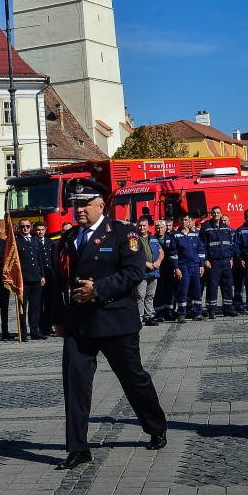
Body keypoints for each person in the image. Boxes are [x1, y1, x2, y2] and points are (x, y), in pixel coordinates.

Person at [53, 180, 168, 470]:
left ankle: (156, 425)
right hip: (79, 326)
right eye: (75, 204)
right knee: (75, 386)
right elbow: (59, 281)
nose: (78, 210)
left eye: (84, 204)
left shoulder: (122, 233)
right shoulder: (69, 239)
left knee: (133, 378)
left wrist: (99, 289)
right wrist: (57, 318)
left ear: (100, 205)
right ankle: (78, 448)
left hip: (115, 321)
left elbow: (134, 272)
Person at [200, 207, 237, 319]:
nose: (216, 215)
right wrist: (206, 259)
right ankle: (212, 310)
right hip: (213, 261)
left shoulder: (226, 228)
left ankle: (228, 308)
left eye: (218, 213)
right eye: (214, 213)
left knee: (227, 285)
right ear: (211, 214)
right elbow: (202, 246)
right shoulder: (206, 228)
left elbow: (230, 245)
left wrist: (231, 258)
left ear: (221, 214)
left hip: (226, 261)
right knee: (212, 286)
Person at [169, 213, 206, 320]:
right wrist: (176, 268)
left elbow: (200, 250)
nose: (184, 222)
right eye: (182, 220)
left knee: (196, 290)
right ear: (179, 221)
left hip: (195, 265)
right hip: (183, 267)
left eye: (186, 220)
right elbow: (173, 253)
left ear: (189, 221)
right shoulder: (176, 236)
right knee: (182, 290)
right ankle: (181, 313)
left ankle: (197, 312)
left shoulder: (195, 235)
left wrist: (201, 265)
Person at [15, 218, 46, 338]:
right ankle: (22, 332)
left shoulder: (35, 240)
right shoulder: (17, 241)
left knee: (35, 306)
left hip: (35, 277)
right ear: (19, 228)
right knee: (22, 307)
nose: (25, 229)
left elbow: (39, 259)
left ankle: (34, 330)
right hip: (23, 279)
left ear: (30, 227)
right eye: (23, 227)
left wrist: (42, 275)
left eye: (27, 226)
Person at [134, 217, 162, 327]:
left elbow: (161, 251)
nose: (142, 228)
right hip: (141, 272)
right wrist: (146, 263)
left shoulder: (154, 238)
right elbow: (134, 254)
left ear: (147, 226)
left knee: (150, 295)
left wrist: (158, 261)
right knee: (140, 296)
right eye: (140, 226)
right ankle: (139, 318)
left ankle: (148, 317)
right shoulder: (134, 239)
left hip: (154, 271)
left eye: (144, 225)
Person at [34, 223, 56, 335]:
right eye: (38, 230)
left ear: (45, 230)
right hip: (39, 276)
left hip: (50, 275)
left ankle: (48, 325)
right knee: (39, 303)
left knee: (49, 303)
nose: (40, 232)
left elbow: (53, 259)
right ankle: (39, 326)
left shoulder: (50, 242)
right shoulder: (33, 242)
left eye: (42, 230)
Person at [152, 221, 176, 322]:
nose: (160, 230)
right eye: (158, 228)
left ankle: (169, 311)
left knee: (170, 290)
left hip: (169, 268)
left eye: (162, 228)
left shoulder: (171, 238)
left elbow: (175, 252)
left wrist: (175, 267)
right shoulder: (152, 239)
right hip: (158, 268)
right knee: (159, 291)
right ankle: (159, 313)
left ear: (165, 228)